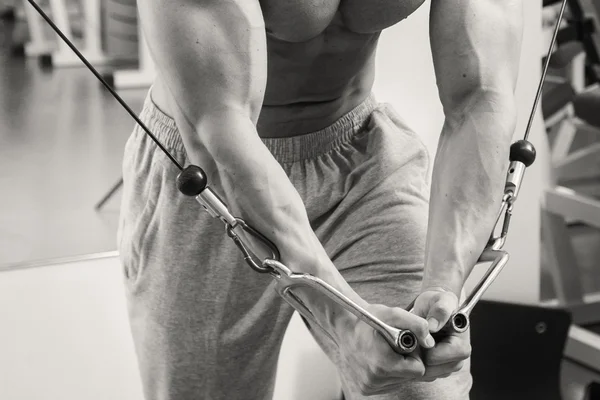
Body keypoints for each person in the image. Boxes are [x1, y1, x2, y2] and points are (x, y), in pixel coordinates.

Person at [116, 1, 524, 399]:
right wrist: (345, 323)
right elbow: (218, 130)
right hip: (211, 179)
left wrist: (442, 293)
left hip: (359, 158)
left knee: (419, 380)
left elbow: (480, 99)